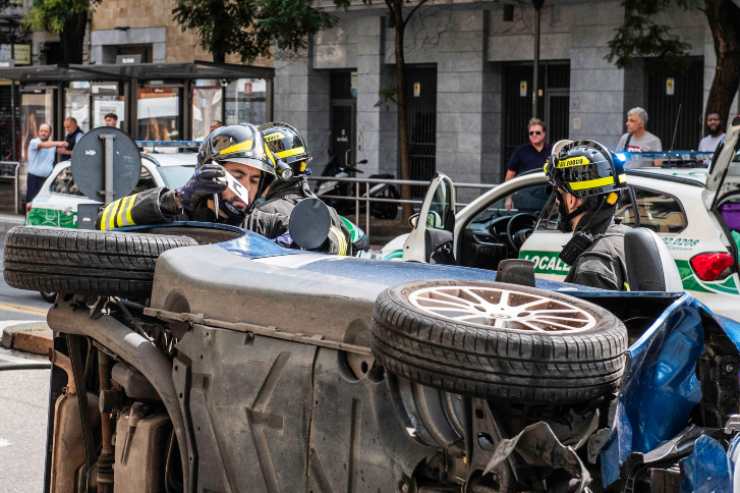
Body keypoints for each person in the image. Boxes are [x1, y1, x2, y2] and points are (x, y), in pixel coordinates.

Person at [97, 124, 351, 255]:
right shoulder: (175, 214)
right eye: (238, 174)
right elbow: (103, 222)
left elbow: (339, 241)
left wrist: (309, 241)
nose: (245, 187)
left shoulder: (265, 224)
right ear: (208, 169)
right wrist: (174, 200)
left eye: (254, 180)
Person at [544, 139, 629, 291]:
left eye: (559, 194)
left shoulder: (593, 266)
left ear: (571, 200)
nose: (557, 202)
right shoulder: (623, 236)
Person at [504, 118, 551, 210]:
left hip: (547, 199)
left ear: (544, 134)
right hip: (526, 199)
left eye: (538, 132)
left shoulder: (552, 150)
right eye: (531, 133)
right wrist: (508, 198)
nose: (534, 135)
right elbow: (509, 176)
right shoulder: (521, 151)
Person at [25, 123, 68, 204]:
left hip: (47, 179)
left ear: (50, 133)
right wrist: (59, 143)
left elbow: (63, 152)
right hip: (34, 178)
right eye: (41, 131)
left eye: (45, 131)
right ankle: (28, 217)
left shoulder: (52, 144)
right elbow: (44, 145)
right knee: (31, 202)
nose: (43, 133)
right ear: (38, 132)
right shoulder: (34, 142)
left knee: (44, 203)